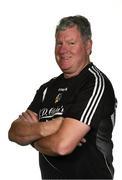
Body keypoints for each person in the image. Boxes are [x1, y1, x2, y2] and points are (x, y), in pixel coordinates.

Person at [8, 15, 117, 179]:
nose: (63, 50)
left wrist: (31, 139)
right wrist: (50, 127)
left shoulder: (95, 84)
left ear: (88, 46)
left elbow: (62, 146)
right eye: (59, 43)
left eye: (71, 43)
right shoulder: (47, 89)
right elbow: (14, 132)